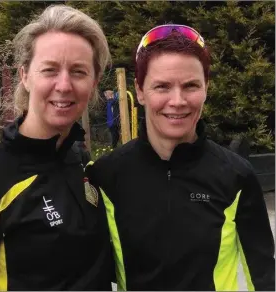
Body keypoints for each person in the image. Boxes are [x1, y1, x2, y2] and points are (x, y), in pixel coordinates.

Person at [0, 5, 115, 291]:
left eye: (79, 72)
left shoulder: (78, 160)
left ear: (93, 83)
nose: (64, 85)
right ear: (25, 76)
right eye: (50, 70)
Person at [87, 24, 275, 290]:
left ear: (206, 89)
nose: (177, 101)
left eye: (190, 86)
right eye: (162, 86)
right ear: (140, 91)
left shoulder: (237, 176)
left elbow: (263, 277)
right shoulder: (105, 175)